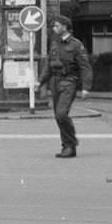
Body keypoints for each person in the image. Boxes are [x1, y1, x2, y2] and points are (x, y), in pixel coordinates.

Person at [37, 14, 92, 157]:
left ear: (65, 27)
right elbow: (49, 66)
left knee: (62, 113)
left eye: (56, 25)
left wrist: (86, 87)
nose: (54, 28)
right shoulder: (55, 44)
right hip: (55, 82)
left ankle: (70, 144)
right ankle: (67, 146)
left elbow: (85, 67)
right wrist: (41, 81)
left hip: (69, 81)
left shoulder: (76, 45)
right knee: (58, 115)